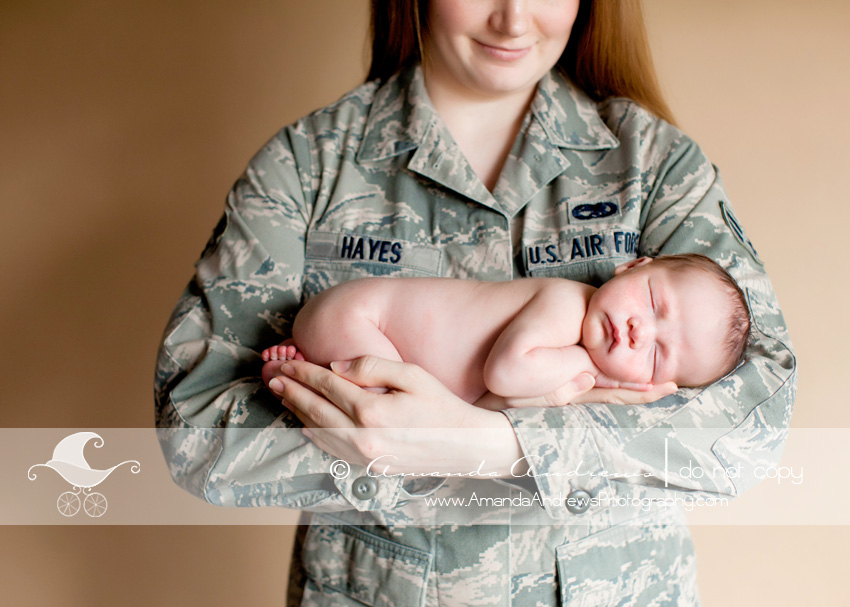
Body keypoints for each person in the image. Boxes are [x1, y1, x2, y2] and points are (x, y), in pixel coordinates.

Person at [154, 1, 796, 605]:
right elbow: (194, 427)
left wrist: (492, 445)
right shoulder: (306, 167)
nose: (513, 18)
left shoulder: (654, 165)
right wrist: (382, 439)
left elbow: (756, 416)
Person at [260, 254, 750, 405]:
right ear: (632, 266)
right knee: (380, 404)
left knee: (386, 402)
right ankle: (298, 370)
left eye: (658, 355)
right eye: (652, 301)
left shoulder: (564, 346)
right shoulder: (565, 303)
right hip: (360, 318)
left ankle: (295, 364)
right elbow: (505, 376)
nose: (640, 332)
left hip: (355, 326)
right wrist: (586, 368)